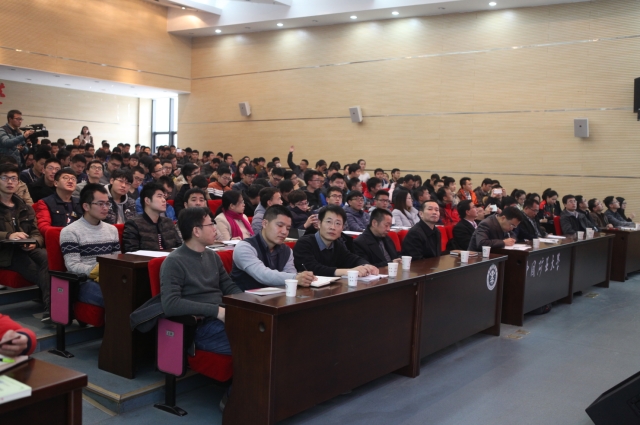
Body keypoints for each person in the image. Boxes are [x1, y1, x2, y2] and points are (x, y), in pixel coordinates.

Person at [160, 207, 242, 403]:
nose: (215, 229)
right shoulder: (174, 262)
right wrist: (215, 311)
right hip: (200, 327)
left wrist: (248, 303)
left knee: (267, 333)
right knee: (254, 342)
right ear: (196, 231)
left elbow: (228, 286)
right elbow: (171, 304)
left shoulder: (212, 256)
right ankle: (234, 399)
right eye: (211, 224)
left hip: (222, 318)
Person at [0, 163, 50, 310]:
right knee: (37, 271)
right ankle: (53, 309)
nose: (10, 182)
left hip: (27, 247)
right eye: (5, 178)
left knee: (50, 259)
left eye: (13, 178)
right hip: (6, 252)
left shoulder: (25, 207)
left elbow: (36, 232)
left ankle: (54, 308)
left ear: (18, 182)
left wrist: (34, 242)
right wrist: (9, 235)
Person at [231, 205, 315, 290]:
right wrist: (295, 278)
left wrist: (303, 278)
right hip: (245, 297)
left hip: (278, 297)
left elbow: (290, 276)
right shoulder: (244, 247)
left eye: (288, 228)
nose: (284, 232)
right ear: (265, 223)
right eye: (280, 225)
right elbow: (263, 275)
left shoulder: (287, 251)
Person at [293, 205, 378, 277]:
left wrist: (366, 265)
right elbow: (312, 269)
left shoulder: (337, 244)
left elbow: (351, 258)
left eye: (338, 223)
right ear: (319, 224)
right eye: (328, 222)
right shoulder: (304, 243)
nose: (333, 227)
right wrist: (348, 272)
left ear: (342, 228)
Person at [123, 183, 181, 253]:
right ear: (147, 200)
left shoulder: (168, 222)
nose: (164, 200)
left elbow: (179, 247)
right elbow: (131, 252)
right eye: (159, 196)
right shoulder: (133, 224)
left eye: (164, 197)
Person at [33, 169, 84, 235]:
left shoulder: (81, 203)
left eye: (73, 179)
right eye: (65, 178)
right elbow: (43, 227)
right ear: (56, 183)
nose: (70, 181)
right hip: (58, 238)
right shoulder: (45, 202)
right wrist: (68, 232)